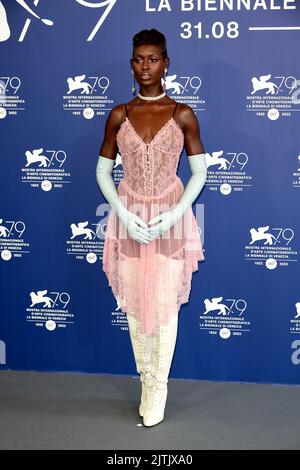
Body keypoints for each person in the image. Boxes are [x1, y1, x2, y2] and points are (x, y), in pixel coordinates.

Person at [96, 28, 207, 427]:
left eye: (153, 58)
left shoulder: (182, 113)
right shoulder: (119, 114)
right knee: (135, 308)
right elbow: (102, 170)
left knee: (163, 307)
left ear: (166, 62)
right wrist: (124, 215)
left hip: (171, 219)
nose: (146, 66)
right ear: (131, 63)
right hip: (127, 219)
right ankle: (145, 380)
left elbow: (199, 172)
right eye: (139, 59)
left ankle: (158, 386)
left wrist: (175, 214)